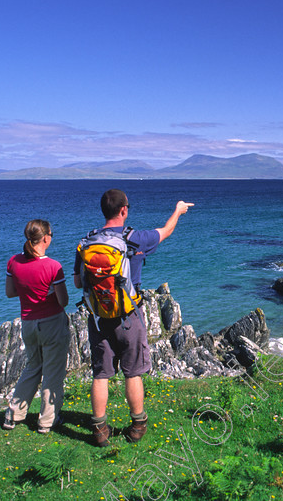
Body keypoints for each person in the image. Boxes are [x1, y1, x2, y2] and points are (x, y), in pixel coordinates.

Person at [74, 189, 192, 447]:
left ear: (103, 210)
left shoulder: (86, 243)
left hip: (98, 317)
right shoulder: (136, 239)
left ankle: (99, 430)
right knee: (133, 372)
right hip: (128, 315)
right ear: (124, 210)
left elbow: (77, 282)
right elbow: (166, 231)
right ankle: (137, 425)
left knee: (101, 374)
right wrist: (178, 210)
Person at [3, 219, 70, 434]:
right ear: (46, 238)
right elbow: (63, 301)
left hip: (28, 323)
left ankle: (13, 414)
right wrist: (48, 290)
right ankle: (47, 421)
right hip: (51, 323)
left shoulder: (14, 262)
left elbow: (11, 292)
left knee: (33, 367)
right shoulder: (53, 266)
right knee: (53, 372)